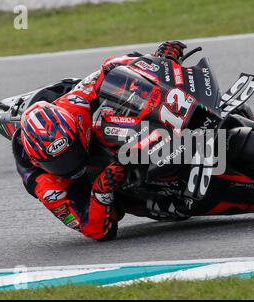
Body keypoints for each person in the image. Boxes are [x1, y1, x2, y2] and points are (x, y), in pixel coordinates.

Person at [12, 41, 187, 241]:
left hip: (87, 127)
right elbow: (94, 230)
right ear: (39, 163)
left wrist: (160, 60)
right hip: (90, 187)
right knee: (170, 208)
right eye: (59, 163)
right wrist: (102, 190)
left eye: (72, 153)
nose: (71, 164)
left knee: (115, 105)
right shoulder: (47, 187)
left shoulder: (75, 105)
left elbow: (112, 67)